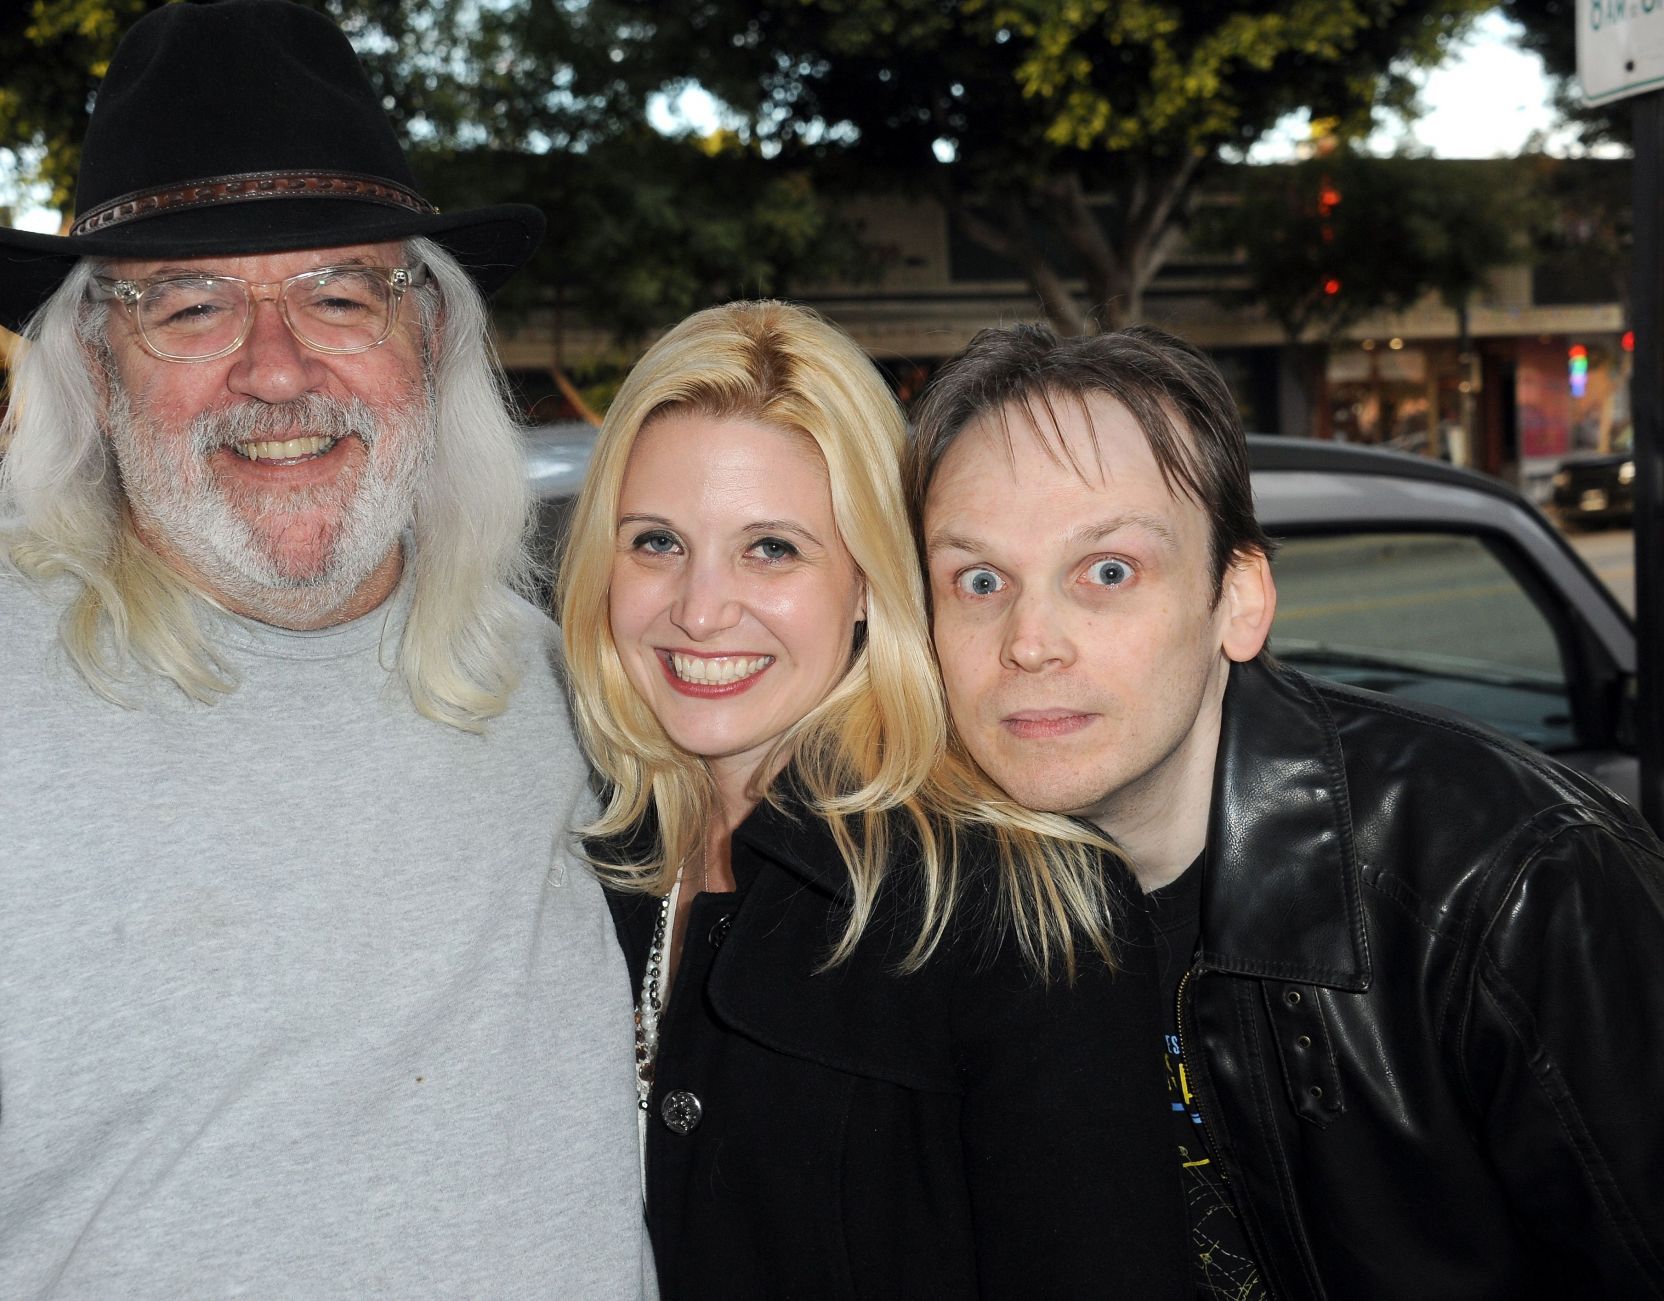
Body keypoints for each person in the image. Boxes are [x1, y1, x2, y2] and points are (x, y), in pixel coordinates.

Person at [0, 3, 646, 1296]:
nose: (276, 371)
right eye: (190, 308)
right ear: (97, 367)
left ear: (430, 339)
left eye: (342, 293)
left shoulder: (566, 692)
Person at [907, 322, 1664, 1301]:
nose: (1030, 640)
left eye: (1108, 571)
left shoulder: (1508, 882)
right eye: (978, 580)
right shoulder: (927, 907)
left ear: (1239, 598)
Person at [555, 300, 1190, 1300]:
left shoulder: (1018, 906)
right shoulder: (585, 868)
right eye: (656, 542)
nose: (700, 607)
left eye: (772, 548)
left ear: (866, 581)